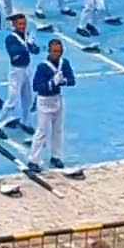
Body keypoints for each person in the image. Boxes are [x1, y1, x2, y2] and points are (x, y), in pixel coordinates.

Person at [29, 40, 77, 172]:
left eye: (59, 51)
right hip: (44, 101)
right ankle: (33, 160)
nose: (57, 54)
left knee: (58, 130)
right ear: (49, 51)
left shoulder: (64, 63)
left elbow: (72, 80)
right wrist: (51, 84)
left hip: (57, 99)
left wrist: (63, 81)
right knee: (42, 131)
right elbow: (36, 87)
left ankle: (56, 156)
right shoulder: (42, 67)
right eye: (54, 51)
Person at [0, 14, 41, 135]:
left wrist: (31, 44)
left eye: (24, 24)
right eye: (20, 24)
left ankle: (26, 122)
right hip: (16, 71)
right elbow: (14, 53)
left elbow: (36, 51)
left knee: (28, 98)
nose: (22, 26)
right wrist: (27, 45)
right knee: (12, 100)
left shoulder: (25, 37)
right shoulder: (11, 38)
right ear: (14, 25)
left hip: (27, 69)